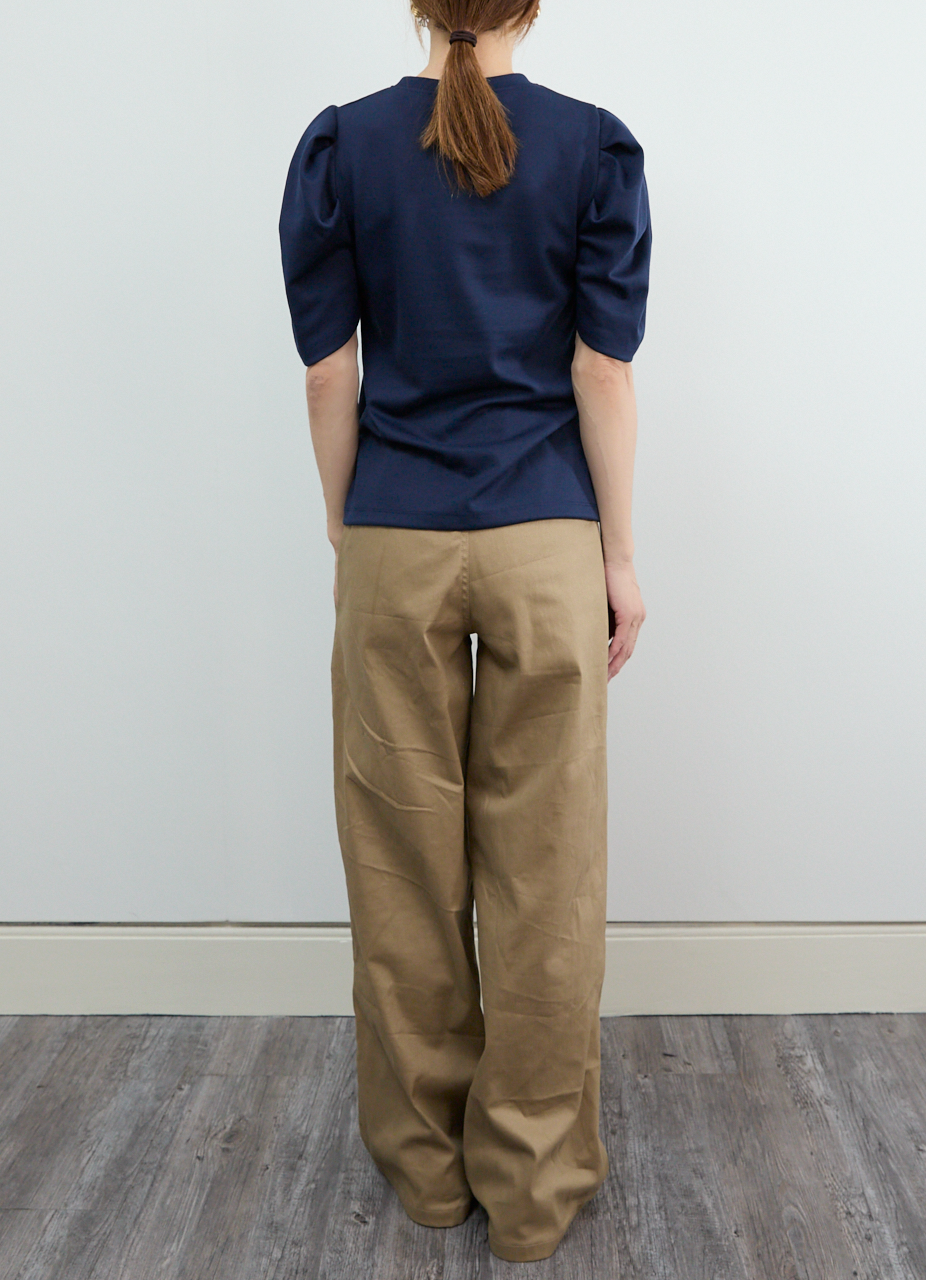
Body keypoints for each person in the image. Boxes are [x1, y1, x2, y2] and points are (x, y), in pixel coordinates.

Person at [278, 0, 650, 1262]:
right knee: (547, 870)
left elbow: (328, 371)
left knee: (398, 865)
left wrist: (347, 525)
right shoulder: (591, 148)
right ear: (527, 8)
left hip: (397, 531)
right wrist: (616, 556)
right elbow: (600, 371)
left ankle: (429, 1171)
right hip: (545, 537)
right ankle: (531, 1190)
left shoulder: (344, 146)